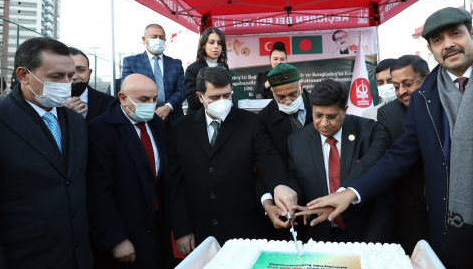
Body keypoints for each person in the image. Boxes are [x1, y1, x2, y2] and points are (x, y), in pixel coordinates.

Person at [305, 7, 473, 269]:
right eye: (437, 40)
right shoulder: (424, 97)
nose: (448, 44)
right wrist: (351, 192)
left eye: (455, 34)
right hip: (450, 227)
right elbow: (398, 156)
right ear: (430, 49)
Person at [0, 37, 94, 269]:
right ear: (23, 75)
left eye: (70, 76)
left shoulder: (76, 122)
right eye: (56, 77)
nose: (66, 84)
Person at [168, 67, 298, 253]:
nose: (222, 102)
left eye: (226, 96)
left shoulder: (250, 122)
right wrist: (182, 229)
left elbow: (267, 157)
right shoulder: (181, 129)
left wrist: (279, 185)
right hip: (200, 232)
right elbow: (175, 183)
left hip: (243, 231)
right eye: (215, 97)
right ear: (200, 96)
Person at [85, 74, 173, 269]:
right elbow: (98, 191)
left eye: (154, 99)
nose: (151, 104)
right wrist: (116, 239)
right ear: (123, 98)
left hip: (156, 231)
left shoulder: (156, 124)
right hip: (125, 236)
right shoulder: (100, 130)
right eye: (143, 99)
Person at [342, 55, 431, 254]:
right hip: (412, 214)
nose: (401, 91)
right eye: (396, 86)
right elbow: (379, 158)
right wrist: (346, 192)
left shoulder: (446, 103)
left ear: (426, 78)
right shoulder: (389, 114)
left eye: (407, 84)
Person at [287, 79, 394, 243]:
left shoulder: (370, 132)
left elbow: (383, 193)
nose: (324, 124)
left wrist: (373, 243)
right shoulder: (297, 141)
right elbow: (293, 181)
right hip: (318, 237)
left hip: (364, 236)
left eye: (331, 117)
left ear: (344, 110)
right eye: (318, 115)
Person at [256, 63, 313, 234]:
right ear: (272, 93)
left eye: (293, 94)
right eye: (280, 97)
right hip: (286, 203)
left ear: (301, 86)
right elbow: (264, 161)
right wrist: (269, 201)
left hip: (320, 198)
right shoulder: (263, 119)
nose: (288, 101)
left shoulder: (318, 107)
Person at [121, 24, 186, 124]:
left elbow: (182, 89)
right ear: (144, 39)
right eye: (154, 37)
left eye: (161, 37)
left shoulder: (176, 64)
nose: (158, 40)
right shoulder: (132, 62)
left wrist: (168, 107)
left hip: (173, 119)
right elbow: (126, 89)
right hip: (143, 118)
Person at [184, 27, 230, 114]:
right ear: (204, 45)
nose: (216, 46)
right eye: (211, 42)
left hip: (222, 116)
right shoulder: (192, 69)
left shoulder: (224, 66)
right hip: (200, 117)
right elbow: (193, 102)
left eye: (219, 43)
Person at [66, 47, 114, 123]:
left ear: (90, 72)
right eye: (67, 70)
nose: (74, 76)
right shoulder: (48, 104)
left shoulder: (110, 103)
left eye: (81, 70)